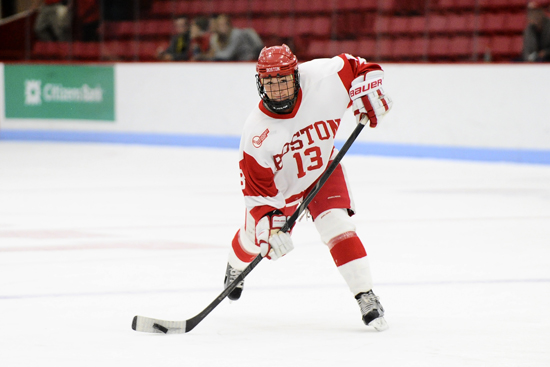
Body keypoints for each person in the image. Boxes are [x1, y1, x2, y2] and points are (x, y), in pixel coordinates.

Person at [223, 45, 393, 330]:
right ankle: (235, 268)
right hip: (282, 189)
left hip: (322, 168)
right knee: (252, 240)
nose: (277, 90)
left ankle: (365, 294)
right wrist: (270, 227)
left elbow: (361, 67)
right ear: (259, 83)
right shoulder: (255, 134)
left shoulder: (324, 78)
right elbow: (258, 196)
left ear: (296, 75)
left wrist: (370, 93)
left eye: (283, 80)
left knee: (338, 226)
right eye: (270, 82)